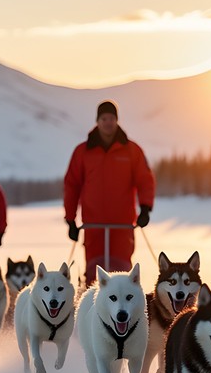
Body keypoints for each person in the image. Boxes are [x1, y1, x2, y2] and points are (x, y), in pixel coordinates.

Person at [63, 100, 156, 286]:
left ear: (117, 120)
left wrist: (145, 208)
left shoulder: (132, 151)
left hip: (122, 225)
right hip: (93, 225)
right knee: (94, 275)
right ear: (98, 121)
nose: (108, 122)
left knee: (122, 274)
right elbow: (72, 185)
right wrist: (71, 219)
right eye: (104, 118)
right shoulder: (83, 151)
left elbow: (145, 180)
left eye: (111, 118)